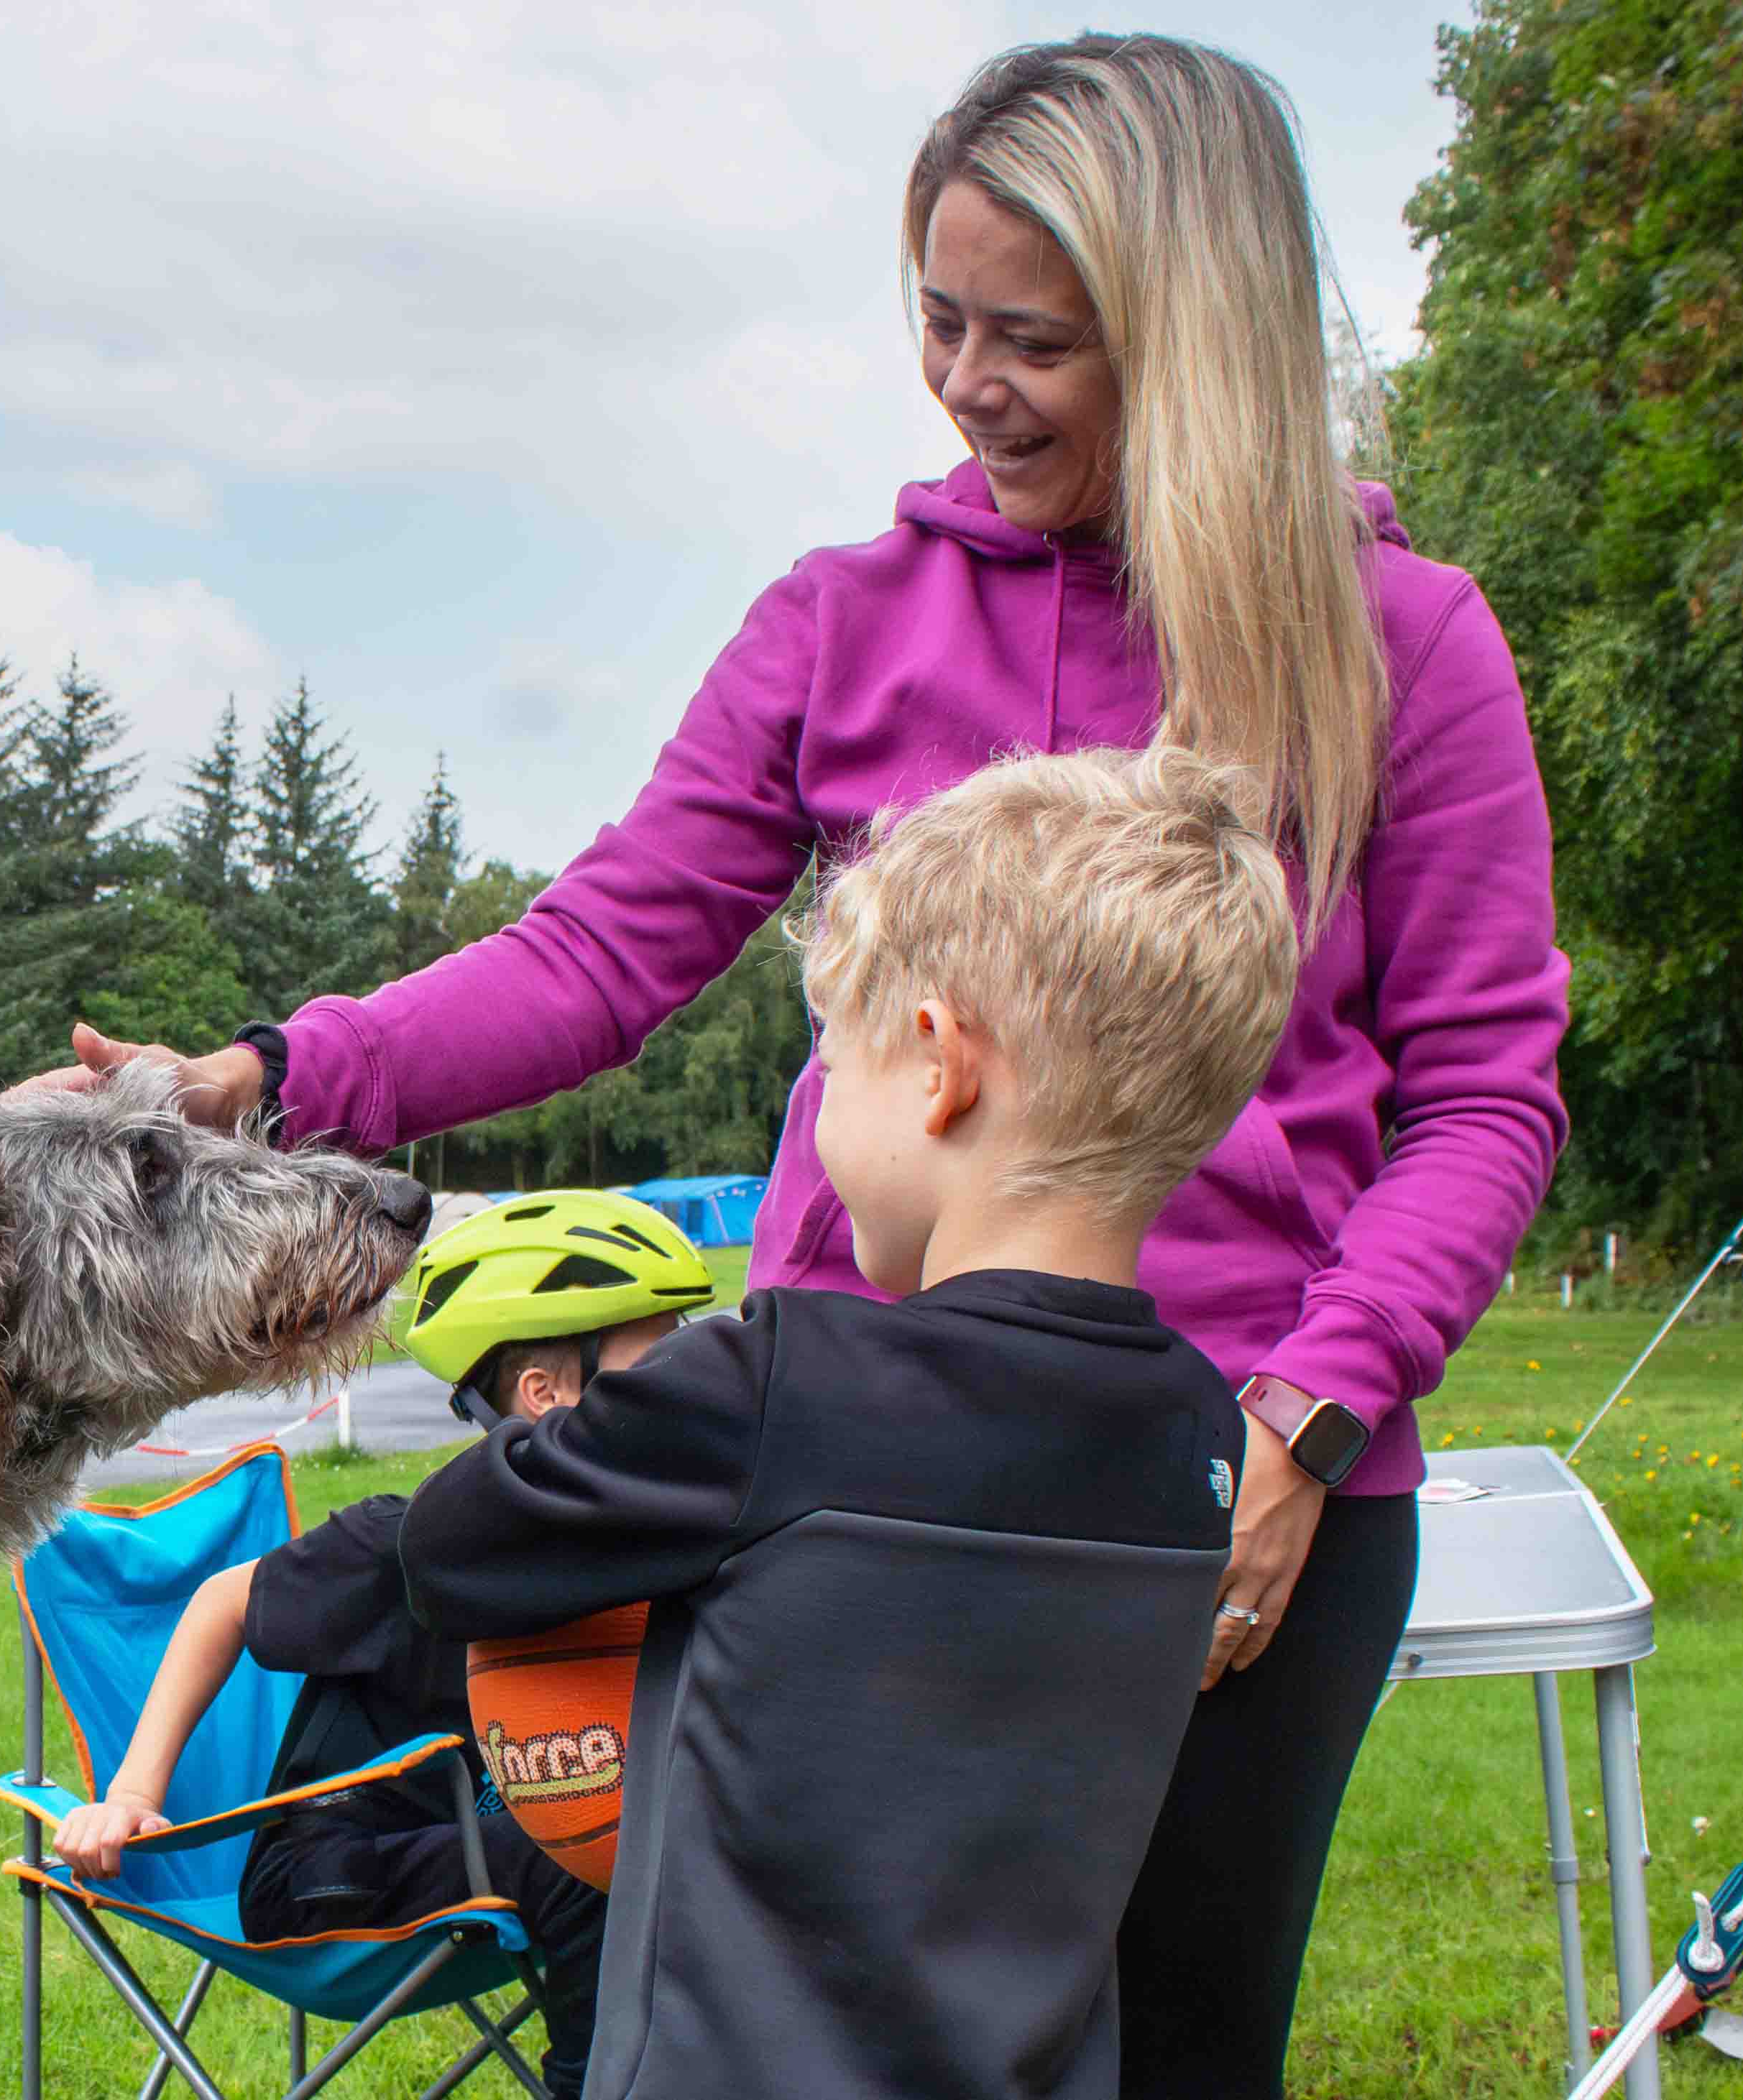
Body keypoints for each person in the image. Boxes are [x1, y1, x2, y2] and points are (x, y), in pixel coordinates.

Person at [39, 34, 1570, 2091]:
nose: (961, 380)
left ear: (1190, 338)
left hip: (1231, 1501)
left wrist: (1303, 1423)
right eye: (935, 317)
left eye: (1030, 336)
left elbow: (1481, 1091)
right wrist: (270, 1072)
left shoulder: (1404, 645)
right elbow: (603, 949)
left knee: (1181, 2050)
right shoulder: (839, 624)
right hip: (841, 1486)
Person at [402, 745, 1298, 2099]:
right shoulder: (1200, 1435)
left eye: (836, 1065)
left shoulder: (778, 1385)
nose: (819, 1123)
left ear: (937, 1068)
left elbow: (452, 1548)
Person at [51, 1190, 714, 2100]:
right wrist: (131, 1793)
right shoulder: (403, 1548)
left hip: (489, 1839)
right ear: (545, 1394)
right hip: (327, 1871)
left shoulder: (644, 1546)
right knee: (590, 1859)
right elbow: (218, 1606)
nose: (691, 1383)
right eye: (659, 1357)